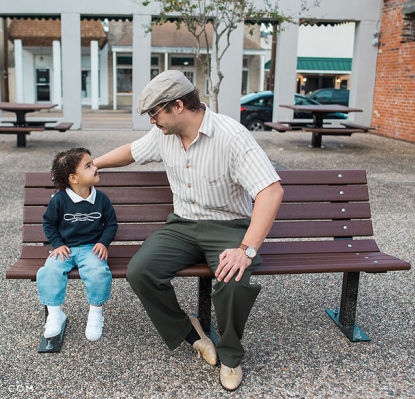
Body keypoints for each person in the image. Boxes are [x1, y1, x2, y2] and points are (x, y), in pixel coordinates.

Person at [93, 70, 283, 391]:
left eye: (155, 113)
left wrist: (246, 249)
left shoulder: (231, 136)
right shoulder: (163, 135)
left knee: (233, 278)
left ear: (178, 106)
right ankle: (190, 332)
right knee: (141, 271)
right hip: (181, 226)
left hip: (228, 227)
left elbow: (271, 191)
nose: (152, 121)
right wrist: (92, 164)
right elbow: (130, 152)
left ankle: (231, 356)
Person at [37, 147, 118, 342]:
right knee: (49, 271)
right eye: (88, 166)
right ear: (74, 178)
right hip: (65, 248)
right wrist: (56, 244)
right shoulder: (59, 200)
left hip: (91, 248)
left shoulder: (101, 199)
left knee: (98, 271)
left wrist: (103, 242)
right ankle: (55, 314)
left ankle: (96, 314)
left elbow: (112, 224)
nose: (95, 167)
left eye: (93, 163)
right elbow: (49, 223)